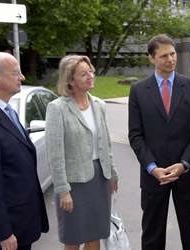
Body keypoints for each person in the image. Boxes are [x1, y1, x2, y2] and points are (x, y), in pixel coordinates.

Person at [128, 34, 190, 250]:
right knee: (152, 236)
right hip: (154, 177)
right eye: (164, 56)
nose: (171, 59)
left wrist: (184, 164)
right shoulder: (137, 91)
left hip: (187, 174)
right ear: (151, 59)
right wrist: (152, 168)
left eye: (172, 54)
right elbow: (135, 135)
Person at [0, 52, 49, 250]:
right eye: (16, 73)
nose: (22, 77)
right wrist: (2, 232)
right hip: (6, 231)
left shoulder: (5, 111)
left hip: (21, 222)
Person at [45, 55, 118, 250]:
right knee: (73, 237)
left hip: (100, 180)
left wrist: (112, 174)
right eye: (83, 74)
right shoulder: (57, 108)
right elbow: (55, 153)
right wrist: (63, 190)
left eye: (91, 71)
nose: (90, 76)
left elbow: (105, 144)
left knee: (96, 235)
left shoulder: (99, 105)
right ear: (70, 80)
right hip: (74, 184)